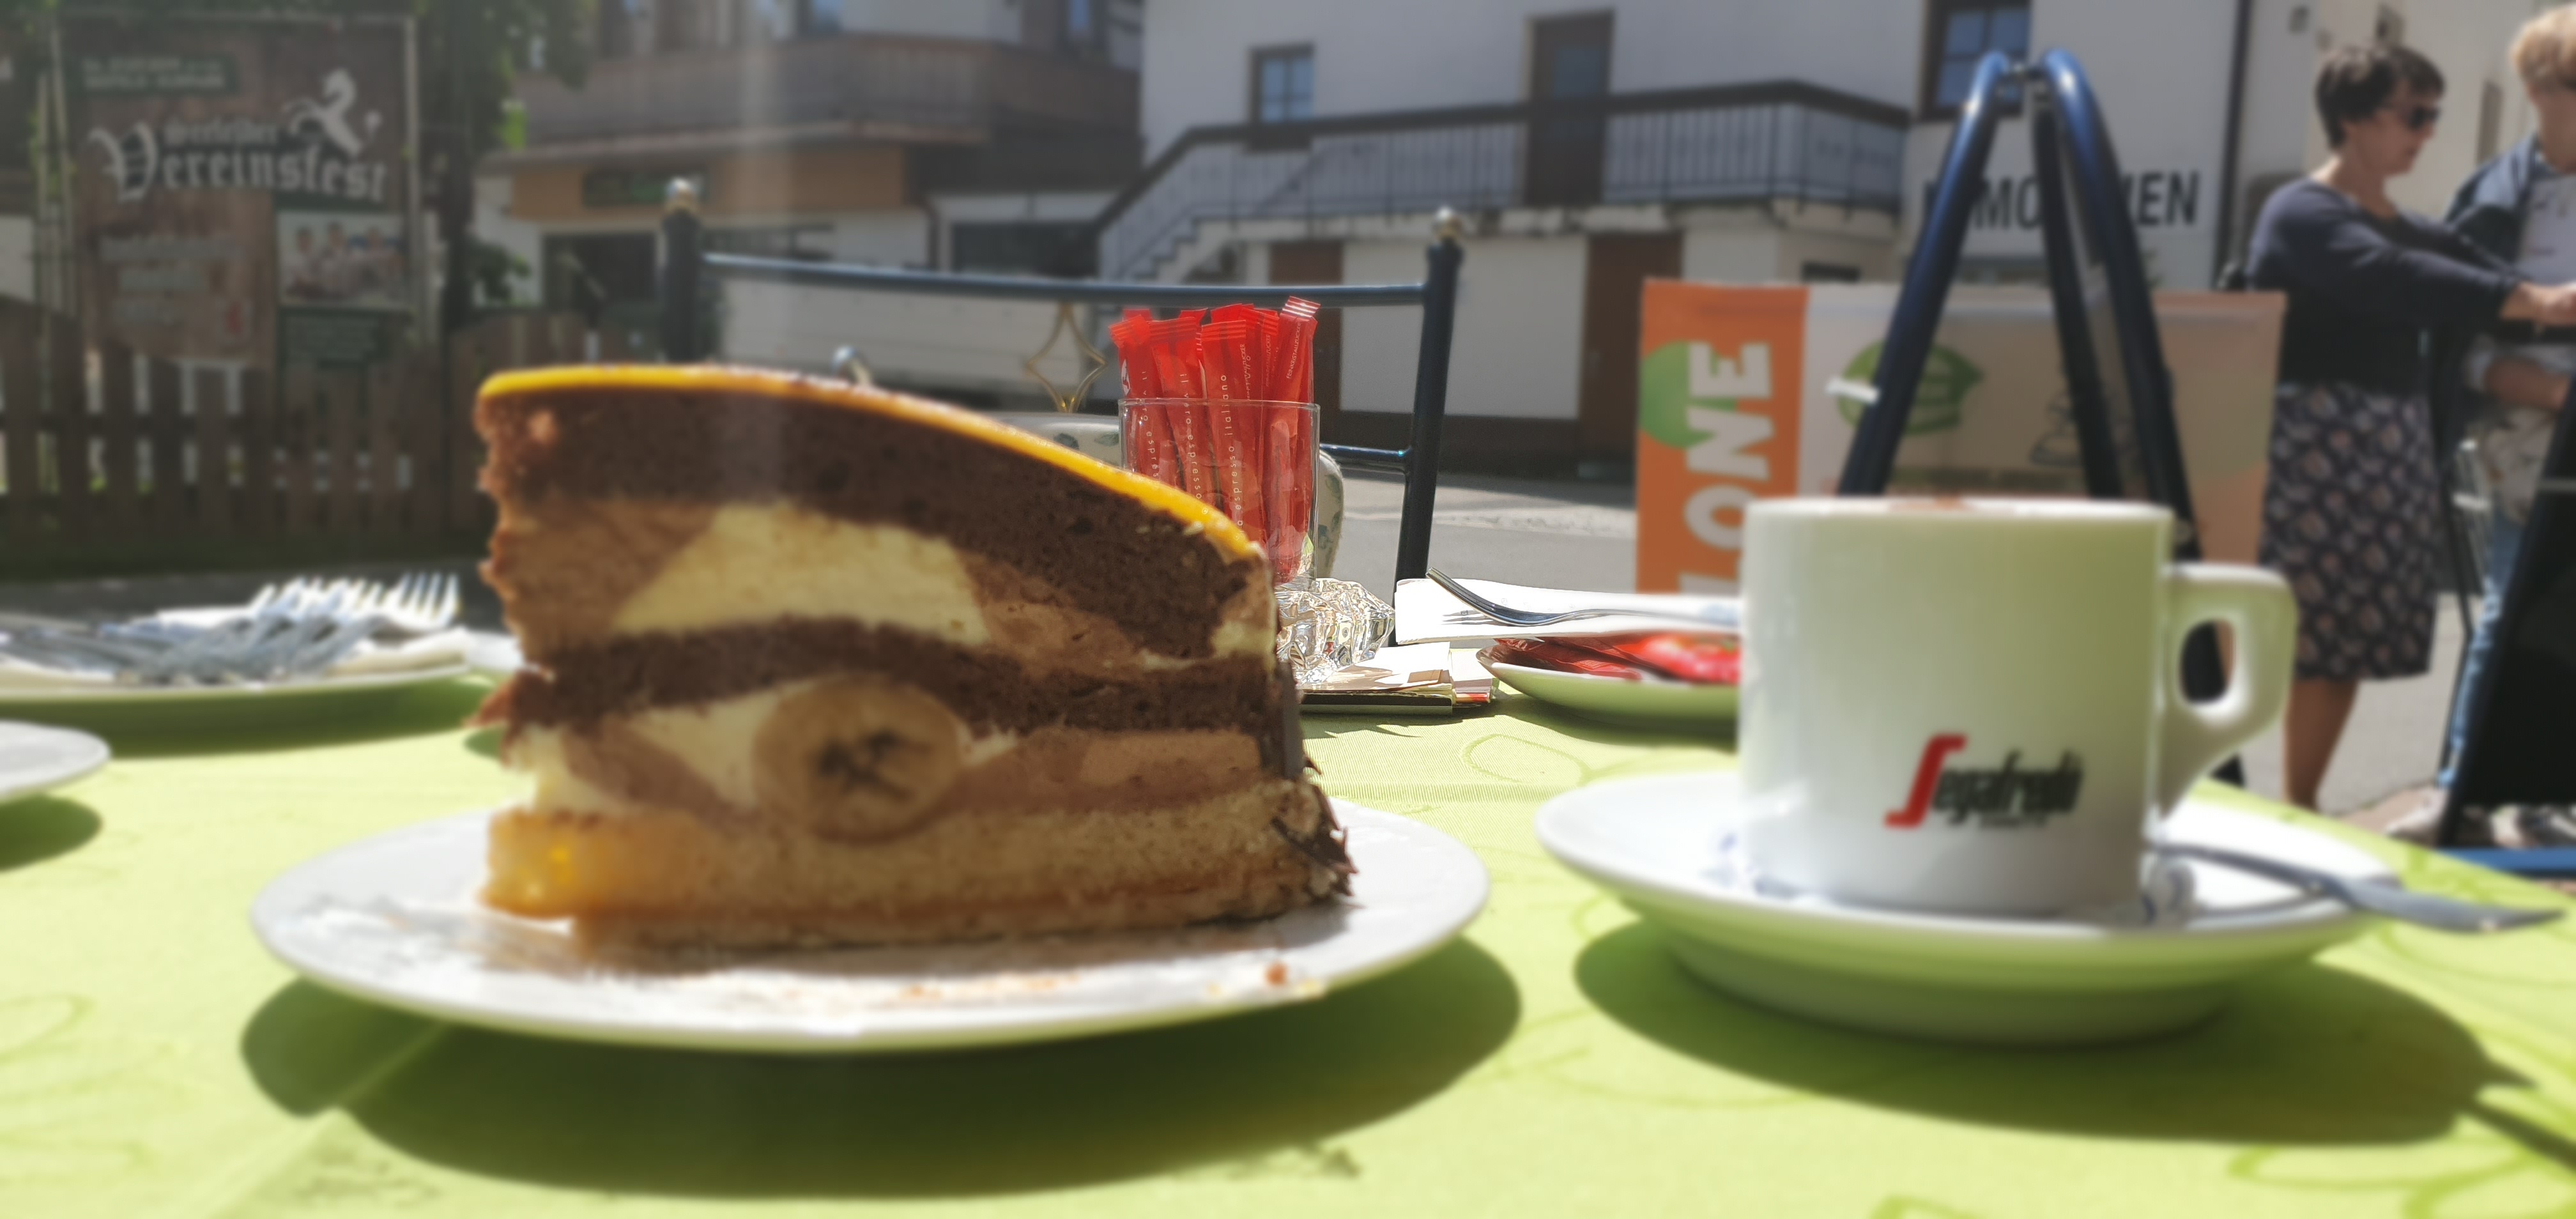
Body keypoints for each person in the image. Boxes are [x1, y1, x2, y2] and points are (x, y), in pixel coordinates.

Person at [2246, 42, 2576, 811]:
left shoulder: (2414, 226)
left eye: (2434, 116)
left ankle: (2299, 806)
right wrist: (2541, 302)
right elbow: (2400, 280)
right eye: (2414, 115)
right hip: (2310, 443)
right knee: (2296, 632)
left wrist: (2541, 302)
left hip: (2388, 444)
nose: (2428, 132)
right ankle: (2265, 807)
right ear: (2353, 119)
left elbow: (2489, 284)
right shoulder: (2302, 211)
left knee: (2343, 642)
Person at [2426, 6, 2576, 843]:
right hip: (2526, 431)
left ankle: (2542, 790)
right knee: (2512, 608)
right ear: (2538, 89)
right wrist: (2544, 388)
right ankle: (2463, 791)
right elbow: (2454, 348)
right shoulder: (2488, 202)